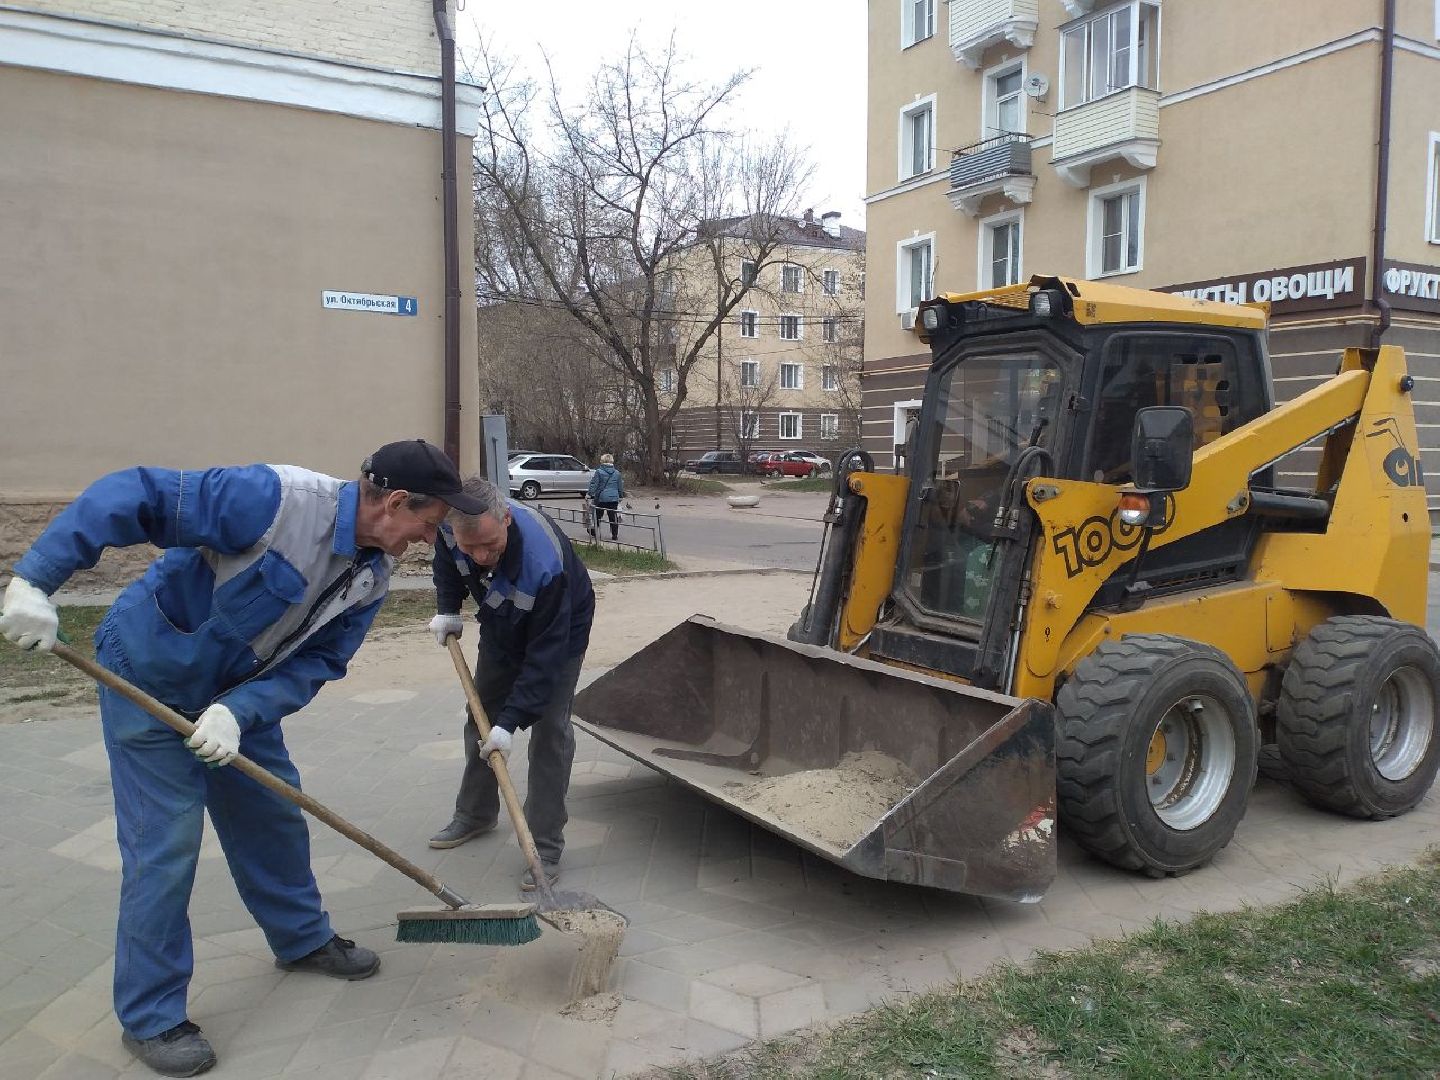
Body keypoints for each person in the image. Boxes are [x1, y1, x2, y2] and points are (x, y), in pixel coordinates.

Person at [0, 439, 480, 1078]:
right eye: (430, 523)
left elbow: (317, 664)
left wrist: (239, 713)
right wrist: (35, 580)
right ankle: (152, 1017)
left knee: (274, 815)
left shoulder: (370, 578)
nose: (429, 539)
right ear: (395, 501)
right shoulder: (273, 500)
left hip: (236, 700)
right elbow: (131, 494)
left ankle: (302, 940)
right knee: (165, 848)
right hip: (147, 681)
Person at [425, 477, 595, 893]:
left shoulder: (544, 564)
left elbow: (545, 657)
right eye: (472, 549)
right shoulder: (453, 530)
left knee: (550, 732)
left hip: (560, 632)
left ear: (506, 517)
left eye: (489, 545)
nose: (481, 558)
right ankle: (476, 813)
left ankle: (545, 846)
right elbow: (449, 564)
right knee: (480, 718)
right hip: (502, 623)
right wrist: (448, 609)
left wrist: (513, 721)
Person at [586, 453, 625, 542]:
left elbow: (594, 484)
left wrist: (589, 494)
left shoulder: (599, 472)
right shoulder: (617, 473)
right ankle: (614, 535)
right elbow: (620, 486)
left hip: (601, 497)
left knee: (598, 515)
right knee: (613, 516)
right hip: (614, 498)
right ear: (612, 461)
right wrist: (620, 496)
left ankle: (594, 531)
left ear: (602, 461)